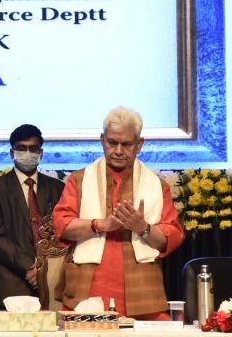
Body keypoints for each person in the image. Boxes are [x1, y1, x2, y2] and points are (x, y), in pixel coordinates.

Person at [53, 107, 184, 319]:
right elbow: (62, 225)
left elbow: (171, 238)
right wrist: (100, 225)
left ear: (139, 144)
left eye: (127, 144)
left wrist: (142, 227)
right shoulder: (79, 180)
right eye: (112, 143)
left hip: (142, 292)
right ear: (102, 140)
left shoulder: (157, 186)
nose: (118, 151)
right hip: (87, 289)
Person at [0, 124, 66, 311]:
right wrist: (30, 268)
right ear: (12, 153)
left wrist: (45, 269)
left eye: (33, 149)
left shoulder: (57, 188)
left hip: (52, 284)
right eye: (21, 148)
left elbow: (63, 233)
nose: (28, 153)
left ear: (41, 153)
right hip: (10, 285)